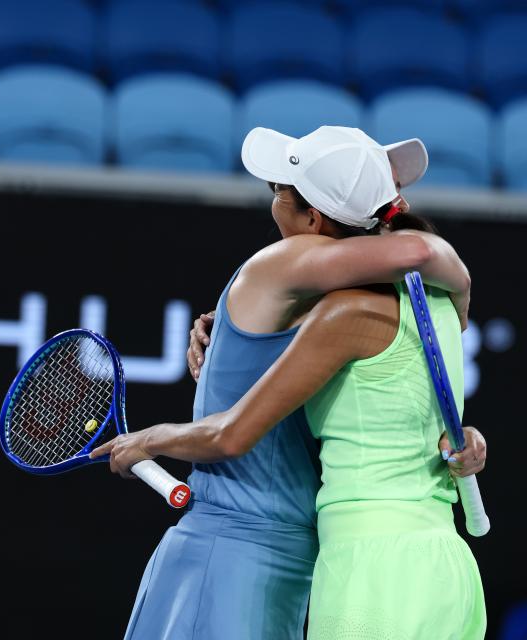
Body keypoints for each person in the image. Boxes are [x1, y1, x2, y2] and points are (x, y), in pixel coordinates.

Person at [92, 126, 486, 640]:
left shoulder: (296, 276)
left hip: (314, 565)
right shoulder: (424, 307)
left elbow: (422, 254)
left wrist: (145, 438)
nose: (272, 202)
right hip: (425, 564)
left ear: (312, 218)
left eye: (279, 190)